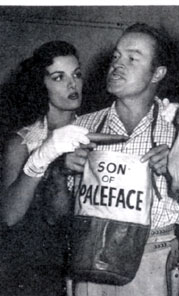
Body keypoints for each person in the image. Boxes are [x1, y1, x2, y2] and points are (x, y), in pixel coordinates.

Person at [65, 23, 179, 296]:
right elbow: (55, 213)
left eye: (132, 58)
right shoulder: (81, 128)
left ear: (158, 73)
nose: (118, 65)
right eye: (116, 57)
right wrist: (64, 172)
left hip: (153, 259)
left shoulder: (178, 134)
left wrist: (177, 172)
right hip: (90, 257)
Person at [0, 41, 90, 296]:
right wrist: (52, 164)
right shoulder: (23, 142)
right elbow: (9, 216)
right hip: (32, 273)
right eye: (58, 77)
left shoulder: (95, 133)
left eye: (77, 74)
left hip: (83, 266)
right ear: (42, 85)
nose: (72, 85)